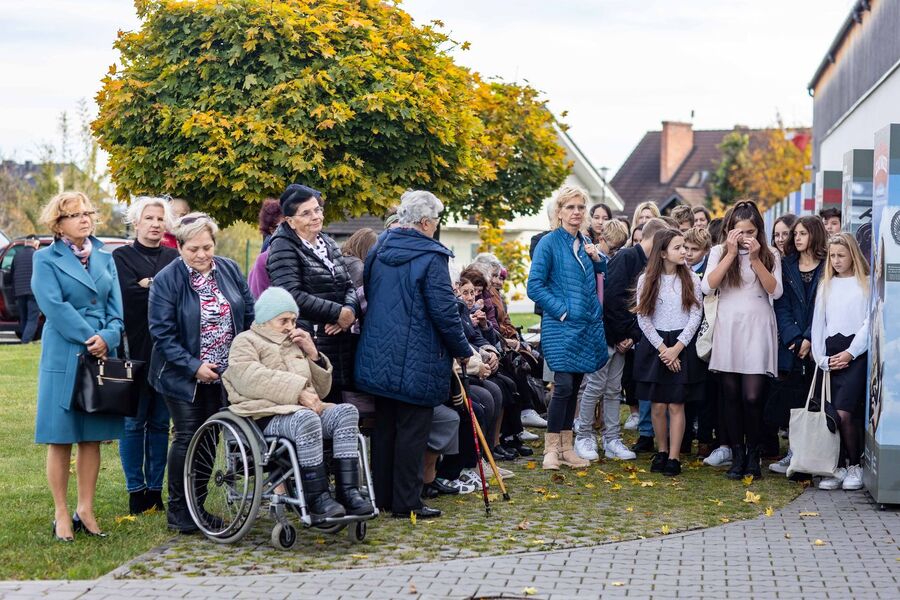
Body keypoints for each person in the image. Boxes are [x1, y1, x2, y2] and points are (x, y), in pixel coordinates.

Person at [355, 190, 472, 519]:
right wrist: (464, 352)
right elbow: (444, 312)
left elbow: (372, 291)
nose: (437, 226)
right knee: (412, 432)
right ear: (424, 222)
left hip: (379, 351)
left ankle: (383, 498)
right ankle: (407, 502)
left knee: (386, 428)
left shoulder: (380, 247)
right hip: (417, 356)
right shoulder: (431, 256)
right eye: (436, 220)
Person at [223, 287, 371, 520]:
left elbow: (321, 391)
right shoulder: (245, 341)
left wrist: (313, 354)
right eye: (283, 320)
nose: (290, 326)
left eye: (293, 320)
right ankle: (316, 497)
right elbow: (249, 377)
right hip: (264, 415)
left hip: (303, 412)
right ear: (265, 318)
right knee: (306, 418)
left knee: (346, 412)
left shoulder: (295, 344)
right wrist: (298, 392)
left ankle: (348, 492)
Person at [148, 213, 255, 532]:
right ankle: (179, 512)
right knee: (188, 436)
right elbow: (162, 333)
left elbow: (248, 311)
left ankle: (197, 505)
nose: (201, 255)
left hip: (224, 372)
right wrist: (194, 367)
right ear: (179, 247)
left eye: (207, 247)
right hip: (182, 375)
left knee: (211, 439)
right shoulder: (168, 279)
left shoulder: (230, 269)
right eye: (193, 249)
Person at [32, 191, 124, 541]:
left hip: (100, 350)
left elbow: (117, 308)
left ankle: (85, 508)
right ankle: (60, 513)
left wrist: (109, 336)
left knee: (92, 436)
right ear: (58, 223)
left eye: (89, 213)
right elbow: (53, 306)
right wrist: (91, 338)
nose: (85, 219)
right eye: (76, 215)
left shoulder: (104, 255)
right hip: (65, 353)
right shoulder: (45, 258)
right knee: (61, 435)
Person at [527, 185, 608, 471]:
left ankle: (566, 448)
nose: (576, 212)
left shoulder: (586, 243)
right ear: (559, 211)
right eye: (570, 207)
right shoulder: (549, 243)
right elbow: (534, 286)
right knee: (561, 386)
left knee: (574, 386)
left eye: (580, 207)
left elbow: (601, 276)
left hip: (584, 328)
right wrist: (562, 311)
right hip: (561, 327)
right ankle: (551, 449)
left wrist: (598, 260)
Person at [701, 200, 782, 479]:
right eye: (739, 231)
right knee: (731, 395)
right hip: (730, 326)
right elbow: (707, 286)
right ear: (729, 230)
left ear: (758, 230)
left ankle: (754, 452)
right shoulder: (718, 251)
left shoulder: (770, 253)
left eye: (750, 231)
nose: (745, 237)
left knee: (752, 396)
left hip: (758, 327)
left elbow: (776, 290)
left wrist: (756, 258)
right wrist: (730, 253)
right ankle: (737, 454)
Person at [112, 197, 179, 515]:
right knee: (133, 424)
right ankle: (135, 492)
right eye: (148, 218)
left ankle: (155, 490)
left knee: (159, 424)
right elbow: (127, 296)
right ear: (136, 222)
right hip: (133, 350)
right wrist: (157, 289)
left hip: (167, 354)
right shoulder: (121, 256)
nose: (155, 223)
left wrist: (149, 286)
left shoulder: (173, 256)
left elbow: (178, 296)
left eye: (159, 218)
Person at [267, 185, 358, 403]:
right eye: (306, 213)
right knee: (316, 412)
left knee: (337, 412)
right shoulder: (283, 246)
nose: (315, 217)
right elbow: (290, 294)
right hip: (309, 342)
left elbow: (349, 285)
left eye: (317, 210)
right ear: (290, 221)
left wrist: (349, 312)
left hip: (338, 342)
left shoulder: (328, 243)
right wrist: (336, 313)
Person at [634, 229, 704, 476]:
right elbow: (643, 318)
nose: (684, 251)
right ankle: (661, 450)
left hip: (681, 344)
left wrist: (677, 348)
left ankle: (675, 456)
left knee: (676, 404)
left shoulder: (691, 279)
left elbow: (696, 314)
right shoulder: (647, 280)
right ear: (663, 253)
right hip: (656, 346)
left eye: (685, 247)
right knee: (658, 405)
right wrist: (664, 349)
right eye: (678, 247)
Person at [603, 218, 669, 453]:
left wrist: (633, 335)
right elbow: (613, 299)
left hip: (634, 334)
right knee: (601, 388)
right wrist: (625, 335)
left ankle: (620, 437)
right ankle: (594, 435)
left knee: (617, 388)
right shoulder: (627, 258)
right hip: (615, 334)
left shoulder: (653, 263)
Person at [811, 233, 869, 491]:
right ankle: (839, 466)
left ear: (853, 255)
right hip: (830, 354)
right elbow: (818, 324)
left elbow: (869, 322)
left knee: (846, 413)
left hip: (855, 354)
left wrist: (852, 352)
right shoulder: (826, 285)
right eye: (833, 256)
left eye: (841, 255)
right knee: (832, 415)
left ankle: (855, 465)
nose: (836, 260)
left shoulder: (866, 283)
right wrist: (821, 357)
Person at [769, 216, 827, 474]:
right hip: (791, 345)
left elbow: (823, 307)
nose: (797, 238)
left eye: (803, 233)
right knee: (792, 401)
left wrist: (809, 337)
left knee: (814, 399)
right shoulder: (786, 265)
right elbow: (780, 304)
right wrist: (794, 337)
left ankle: (813, 456)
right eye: (796, 234)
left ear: (814, 235)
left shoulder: (827, 267)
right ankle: (793, 454)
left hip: (817, 341)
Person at [11, 235, 40, 343]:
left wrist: (13, 292)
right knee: (32, 318)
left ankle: (25, 340)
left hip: (19, 291)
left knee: (23, 317)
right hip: (33, 291)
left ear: (25, 243)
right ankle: (25, 341)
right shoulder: (37, 255)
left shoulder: (17, 255)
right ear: (36, 244)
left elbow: (11, 273)